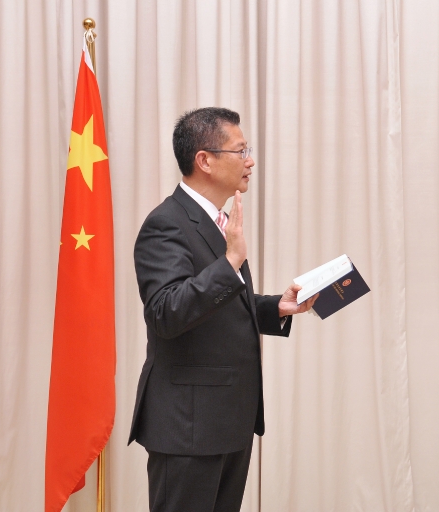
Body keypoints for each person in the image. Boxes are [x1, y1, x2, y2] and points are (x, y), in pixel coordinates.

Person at [128, 107, 317, 512]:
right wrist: (230, 262)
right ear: (205, 160)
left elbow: (218, 307)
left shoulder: (218, 220)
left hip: (227, 421)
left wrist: (275, 307)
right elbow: (166, 313)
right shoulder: (166, 223)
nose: (250, 161)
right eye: (240, 150)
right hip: (187, 427)